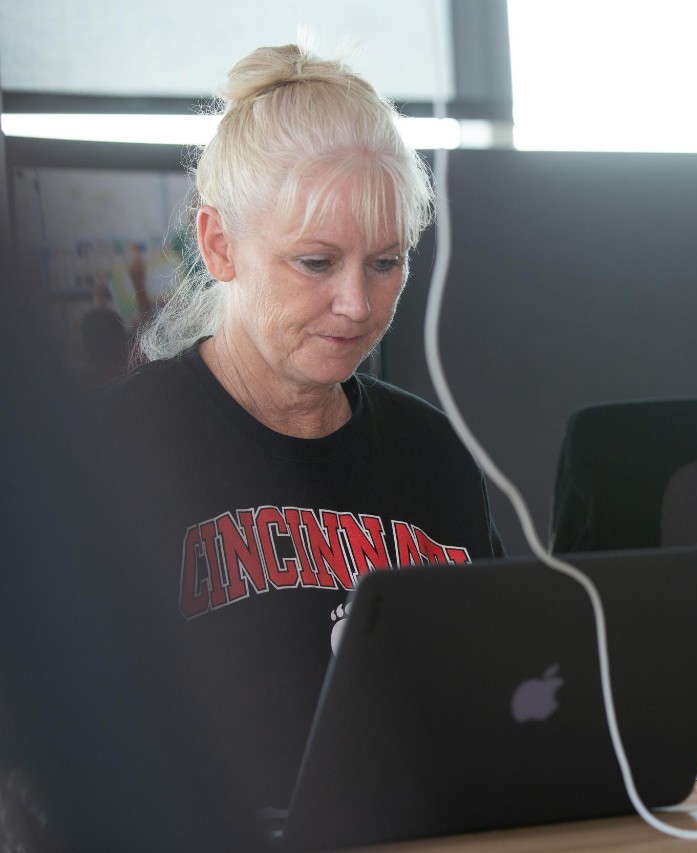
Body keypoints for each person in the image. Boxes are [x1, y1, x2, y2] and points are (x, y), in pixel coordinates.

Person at [85, 44, 502, 844]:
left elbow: (509, 692)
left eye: (387, 262)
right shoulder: (117, 454)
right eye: (316, 262)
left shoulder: (429, 448)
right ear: (219, 245)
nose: (357, 303)